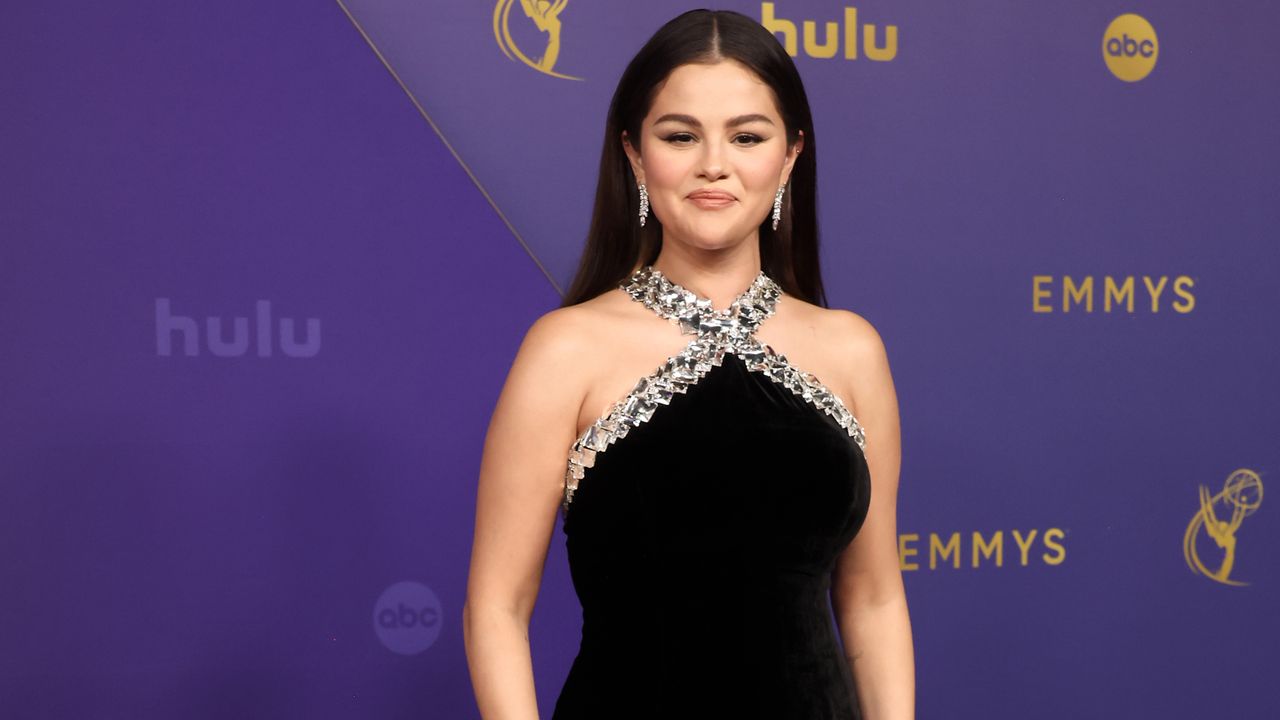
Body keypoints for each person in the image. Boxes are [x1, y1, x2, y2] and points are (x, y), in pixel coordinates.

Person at [464, 9, 913, 719]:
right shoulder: (566, 349)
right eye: (680, 136)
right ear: (637, 157)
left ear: (790, 155)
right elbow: (497, 606)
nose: (714, 164)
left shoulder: (853, 350)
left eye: (747, 136)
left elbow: (875, 598)